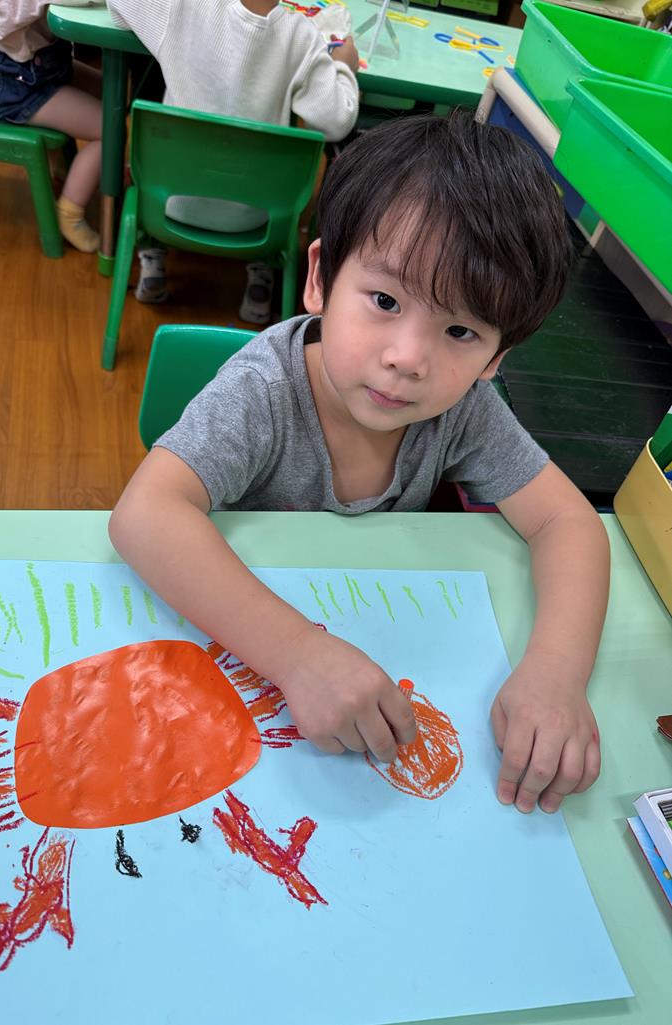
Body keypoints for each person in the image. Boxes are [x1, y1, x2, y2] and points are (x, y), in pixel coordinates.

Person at [109, 112, 609, 816]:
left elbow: (568, 521)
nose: (407, 357)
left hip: (382, 655)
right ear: (319, 278)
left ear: (495, 359)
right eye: (384, 301)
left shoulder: (462, 410)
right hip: (239, 665)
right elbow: (144, 514)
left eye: (459, 330)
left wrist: (556, 674)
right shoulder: (264, 390)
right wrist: (296, 654)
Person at [106, 0, 359, 322]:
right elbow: (337, 121)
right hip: (259, 220)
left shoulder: (178, 6)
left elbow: (117, 7)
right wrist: (343, 66)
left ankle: (153, 255)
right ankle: (261, 272)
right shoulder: (301, 37)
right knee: (272, 172)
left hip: (167, 207)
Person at [0, 0, 102, 253]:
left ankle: (71, 168)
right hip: (13, 87)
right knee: (107, 128)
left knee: (113, 92)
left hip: (37, 69)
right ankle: (70, 213)